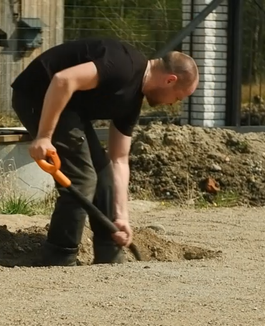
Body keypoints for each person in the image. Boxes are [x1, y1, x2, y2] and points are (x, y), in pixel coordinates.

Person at [11, 38, 199, 265]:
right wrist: (44, 137)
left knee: (105, 176)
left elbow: (119, 159)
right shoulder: (124, 66)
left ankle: (110, 256)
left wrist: (122, 217)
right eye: (177, 98)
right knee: (82, 178)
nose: (172, 104)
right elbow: (62, 80)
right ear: (170, 80)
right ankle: (59, 257)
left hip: (70, 108)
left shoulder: (132, 100)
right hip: (38, 93)